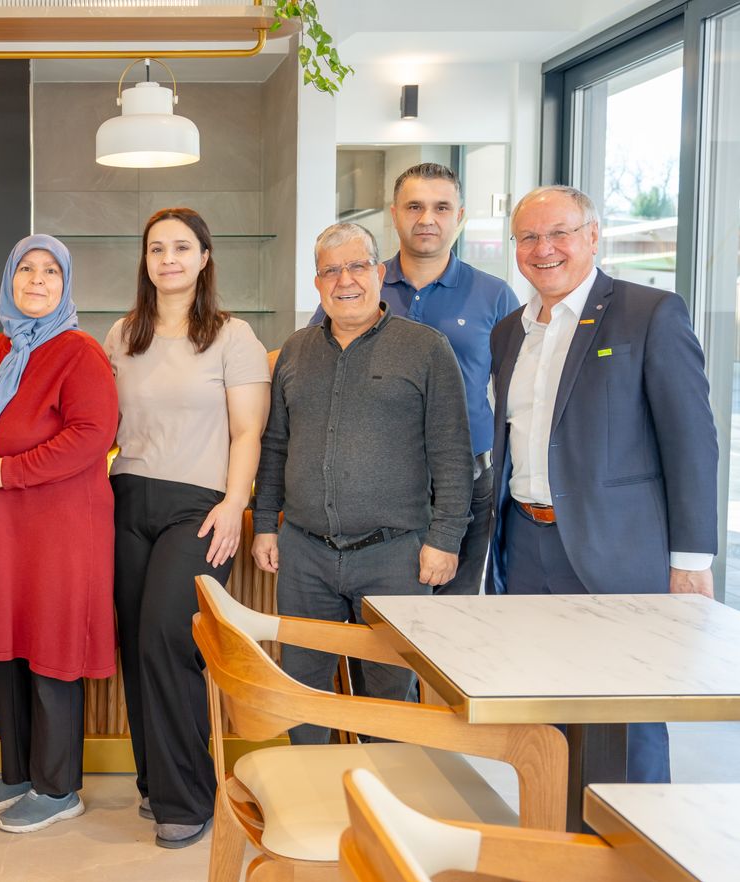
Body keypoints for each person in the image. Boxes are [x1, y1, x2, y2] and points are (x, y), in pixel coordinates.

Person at [489, 185, 717, 783]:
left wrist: (691, 560)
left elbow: (692, 441)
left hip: (615, 550)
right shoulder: (509, 331)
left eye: (559, 233)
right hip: (526, 545)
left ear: (593, 237)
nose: (544, 249)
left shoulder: (650, 313)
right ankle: (557, 834)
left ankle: (632, 841)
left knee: (626, 719)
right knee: (543, 714)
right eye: (528, 237)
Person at [252, 222, 472, 744]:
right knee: (302, 691)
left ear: (379, 272)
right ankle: (310, 790)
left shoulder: (426, 349)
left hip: (394, 556)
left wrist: (445, 539)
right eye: (331, 270)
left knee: (389, 696)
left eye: (356, 266)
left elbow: (451, 452)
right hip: (305, 554)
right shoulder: (296, 351)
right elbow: (275, 445)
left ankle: (381, 793)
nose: (344, 280)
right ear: (317, 283)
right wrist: (264, 524)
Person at [104, 208, 269, 848]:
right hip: (127, 498)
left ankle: (189, 797)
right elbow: (104, 425)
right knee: (134, 643)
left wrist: (234, 503)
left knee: (166, 639)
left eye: (181, 247)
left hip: (197, 507)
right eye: (156, 249)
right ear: (145, 261)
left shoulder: (232, 336)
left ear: (204, 257)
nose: (168, 259)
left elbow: (248, 432)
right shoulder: (122, 335)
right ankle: (155, 783)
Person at [0, 234, 118, 834]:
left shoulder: (80, 352)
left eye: (51, 271)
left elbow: (92, 435)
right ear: (9, 280)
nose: (38, 280)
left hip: (62, 529)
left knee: (51, 652)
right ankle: (19, 771)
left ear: (65, 285)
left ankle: (57, 787)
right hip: (0, 527)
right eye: (26, 269)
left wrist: (7, 470)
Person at [313, 164, 516, 594]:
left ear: (459, 216)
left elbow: (516, 393)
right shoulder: (357, 282)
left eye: (441, 207)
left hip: (467, 483)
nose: (427, 219)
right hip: (378, 491)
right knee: (385, 623)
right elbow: (314, 360)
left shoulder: (495, 295)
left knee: (452, 613)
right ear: (394, 214)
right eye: (414, 207)